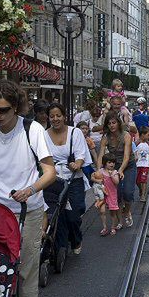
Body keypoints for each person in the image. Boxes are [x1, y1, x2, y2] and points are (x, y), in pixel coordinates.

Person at [0, 80, 56, 297]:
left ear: (15, 108)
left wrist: (30, 189)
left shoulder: (32, 130)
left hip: (26, 211)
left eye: (3, 110)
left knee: (24, 271)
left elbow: (50, 172)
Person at [45, 103, 92, 255]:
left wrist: (77, 164)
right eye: (52, 116)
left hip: (73, 179)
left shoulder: (75, 133)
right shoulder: (44, 135)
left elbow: (81, 155)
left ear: (64, 116)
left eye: (58, 115)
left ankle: (76, 238)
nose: (55, 119)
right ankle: (60, 245)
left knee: (74, 213)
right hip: (53, 180)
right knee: (57, 214)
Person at [97, 111, 136, 228]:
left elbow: (126, 156)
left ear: (118, 123)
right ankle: (119, 219)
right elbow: (101, 156)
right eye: (109, 124)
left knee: (128, 192)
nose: (111, 126)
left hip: (128, 165)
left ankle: (127, 211)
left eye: (114, 123)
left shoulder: (126, 136)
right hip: (114, 167)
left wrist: (121, 170)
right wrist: (99, 170)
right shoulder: (106, 138)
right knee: (117, 194)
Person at [94, 153, 120, 236]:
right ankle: (104, 227)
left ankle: (113, 227)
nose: (112, 164)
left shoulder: (115, 172)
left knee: (113, 212)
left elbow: (117, 182)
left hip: (112, 194)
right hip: (102, 194)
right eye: (109, 162)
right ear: (105, 163)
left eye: (113, 162)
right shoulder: (101, 171)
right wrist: (97, 180)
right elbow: (93, 176)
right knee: (102, 211)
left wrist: (111, 175)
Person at [135, 126, 149, 202]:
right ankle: (141, 190)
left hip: (145, 165)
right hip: (137, 165)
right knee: (137, 181)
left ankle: (143, 195)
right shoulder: (136, 143)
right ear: (142, 135)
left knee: (143, 180)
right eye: (148, 135)